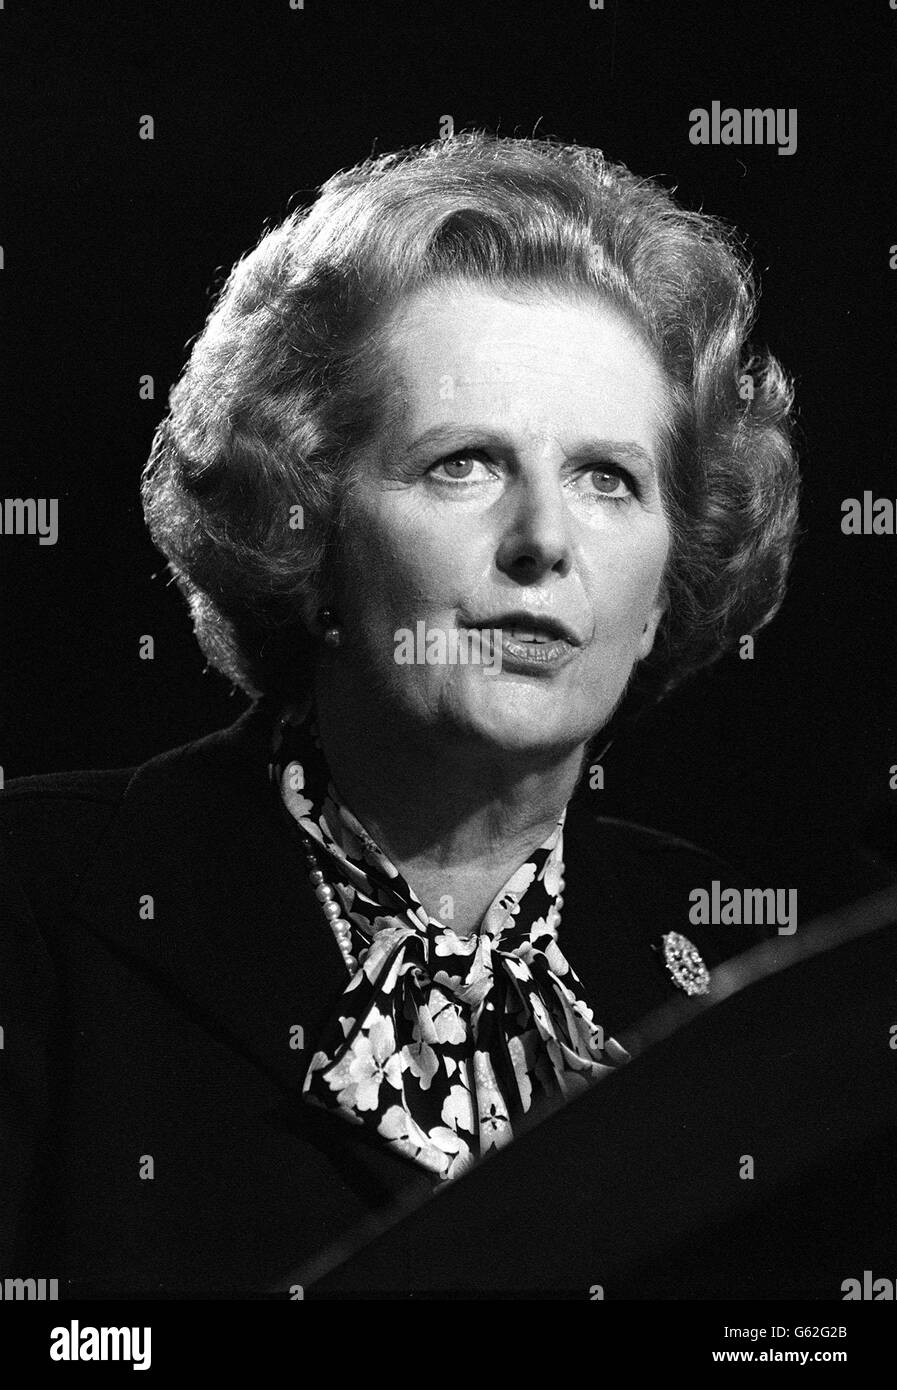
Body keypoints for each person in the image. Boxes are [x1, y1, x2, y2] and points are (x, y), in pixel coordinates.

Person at [0, 132, 799, 1298]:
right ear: (305, 523)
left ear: (673, 578)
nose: (543, 543)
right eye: (463, 464)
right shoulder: (38, 906)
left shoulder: (743, 966)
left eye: (607, 478)